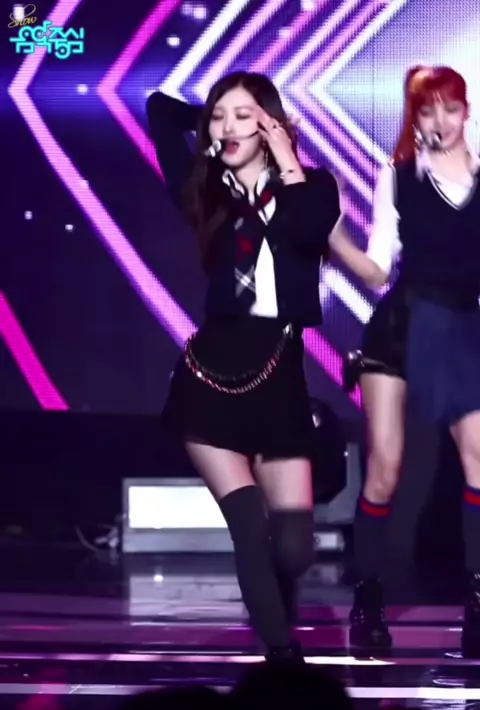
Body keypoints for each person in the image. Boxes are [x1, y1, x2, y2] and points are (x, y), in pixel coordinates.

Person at [147, 72, 340, 662]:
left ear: (271, 122)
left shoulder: (312, 187)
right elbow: (158, 109)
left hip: (278, 378)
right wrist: (212, 123)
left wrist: (281, 149)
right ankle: (283, 657)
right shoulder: (206, 191)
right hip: (211, 380)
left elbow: (309, 230)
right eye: (220, 116)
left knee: (293, 547)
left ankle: (277, 625)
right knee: (250, 529)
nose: (228, 126)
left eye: (243, 115)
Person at [329, 65, 480, 657]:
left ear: (466, 110)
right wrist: (333, 237)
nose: (440, 121)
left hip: (463, 329)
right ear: (414, 117)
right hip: (401, 329)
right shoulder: (397, 178)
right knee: (386, 467)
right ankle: (368, 602)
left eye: (449, 108)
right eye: (427, 110)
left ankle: (477, 604)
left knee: (478, 461)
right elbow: (376, 270)